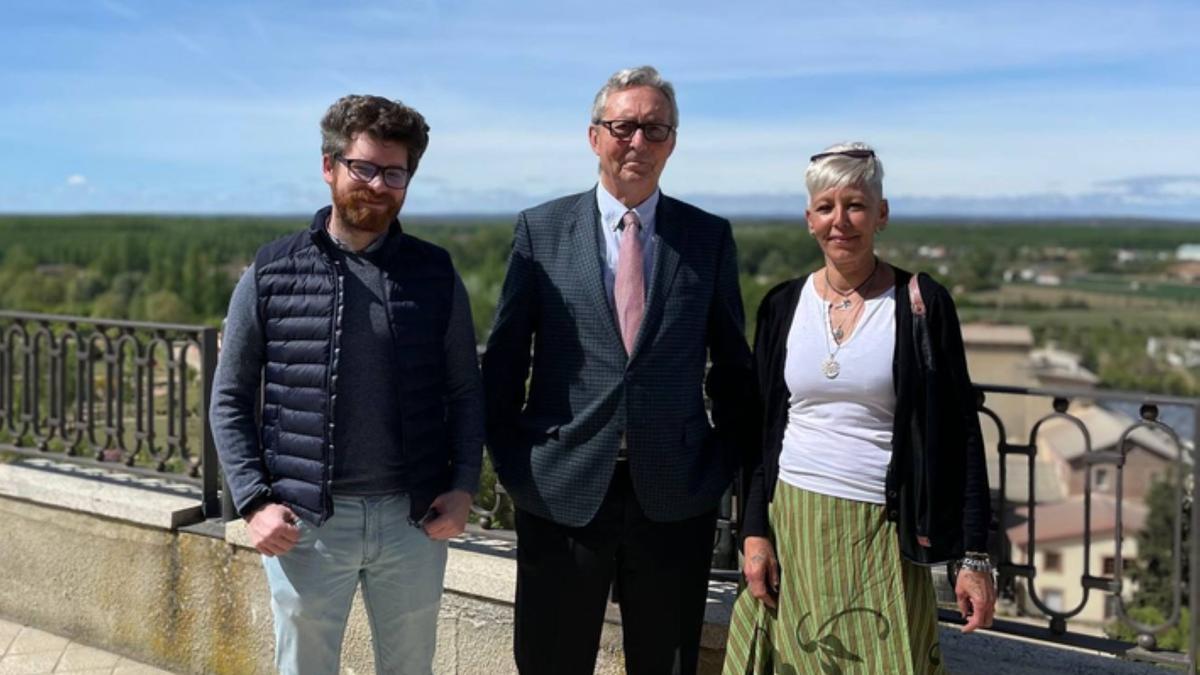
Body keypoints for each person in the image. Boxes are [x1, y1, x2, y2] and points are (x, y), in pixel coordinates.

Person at [482, 65, 756, 675]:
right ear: (594, 137)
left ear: (673, 142)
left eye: (655, 129)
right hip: (562, 494)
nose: (638, 141)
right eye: (623, 126)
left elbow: (734, 370)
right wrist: (516, 466)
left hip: (674, 497)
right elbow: (504, 361)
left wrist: (716, 470)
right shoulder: (541, 230)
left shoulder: (707, 238)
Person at [210, 94, 484, 675]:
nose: (378, 185)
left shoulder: (435, 274)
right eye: (363, 167)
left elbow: (465, 391)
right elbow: (229, 396)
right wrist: (255, 501)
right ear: (329, 166)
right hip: (305, 522)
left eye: (394, 172)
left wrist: (462, 487)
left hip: (413, 522)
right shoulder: (272, 271)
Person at [723, 143, 995, 674]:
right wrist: (754, 532)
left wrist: (974, 556)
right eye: (826, 207)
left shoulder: (920, 303)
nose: (840, 221)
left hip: (881, 532)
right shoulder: (781, 305)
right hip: (793, 522)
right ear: (809, 219)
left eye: (856, 205)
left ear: (881, 214)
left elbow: (961, 430)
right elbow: (762, 432)